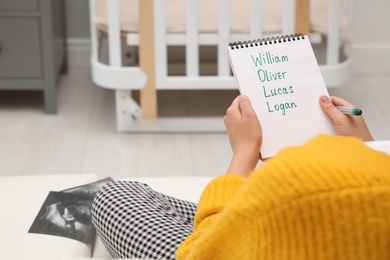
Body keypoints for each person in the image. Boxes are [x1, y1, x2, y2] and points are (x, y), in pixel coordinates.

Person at [91, 95, 390, 260]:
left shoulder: (307, 181)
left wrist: (244, 154)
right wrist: (367, 150)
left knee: (112, 195)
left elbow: (206, 253)